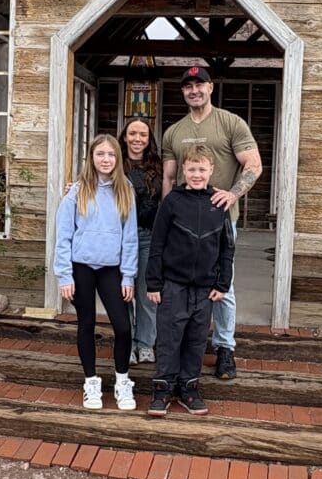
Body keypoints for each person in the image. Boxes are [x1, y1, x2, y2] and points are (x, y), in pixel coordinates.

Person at [161, 66, 262, 381]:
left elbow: (253, 165)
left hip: (220, 222)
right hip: (183, 224)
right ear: (183, 91)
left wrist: (232, 195)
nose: (194, 90)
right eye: (188, 86)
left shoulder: (231, 123)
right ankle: (183, 344)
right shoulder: (173, 132)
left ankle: (225, 347)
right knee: (181, 284)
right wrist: (167, 213)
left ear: (211, 87)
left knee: (223, 285)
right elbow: (168, 176)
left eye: (199, 84)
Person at [146, 145, 234, 416]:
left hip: (205, 289)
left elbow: (227, 248)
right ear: (183, 170)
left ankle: (189, 387)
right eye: (192, 169)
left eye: (202, 169)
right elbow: (157, 243)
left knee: (196, 339)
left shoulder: (219, 203)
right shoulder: (172, 201)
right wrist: (153, 283)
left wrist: (222, 283)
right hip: (173, 285)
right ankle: (163, 388)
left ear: (211, 171)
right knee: (169, 338)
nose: (197, 174)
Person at [53, 134, 138, 411]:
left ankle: (122, 380)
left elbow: (130, 237)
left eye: (111, 154)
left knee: (123, 327)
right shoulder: (77, 191)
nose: (105, 159)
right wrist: (64, 274)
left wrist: (128, 275)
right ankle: (91, 382)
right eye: (100, 154)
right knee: (86, 323)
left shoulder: (125, 189)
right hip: (82, 268)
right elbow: (63, 235)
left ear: (117, 159)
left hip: (111, 269)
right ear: (91, 157)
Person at [117, 118, 162, 365]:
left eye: (142, 135)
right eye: (132, 133)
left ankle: (145, 343)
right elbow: (92, 182)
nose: (137, 139)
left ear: (149, 139)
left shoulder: (158, 165)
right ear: (124, 136)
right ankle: (127, 342)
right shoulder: (114, 163)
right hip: (119, 238)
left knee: (145, 293)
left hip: (147, 235)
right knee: (123, 293)